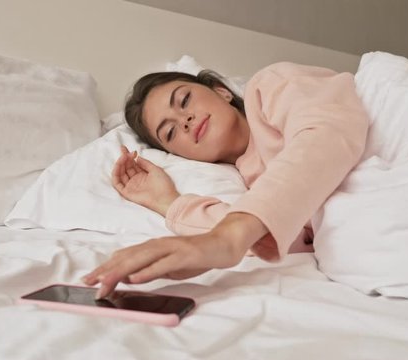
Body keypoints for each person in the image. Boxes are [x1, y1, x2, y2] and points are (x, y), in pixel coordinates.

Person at [82, 62, 370, 299]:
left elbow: (326, 134)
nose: (184, 121)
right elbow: (284, 236)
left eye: (184, 100)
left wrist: (228, 237)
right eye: (170, 133)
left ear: (222, 92)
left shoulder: (269, 86)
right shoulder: (249, 179)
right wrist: (167, 203)